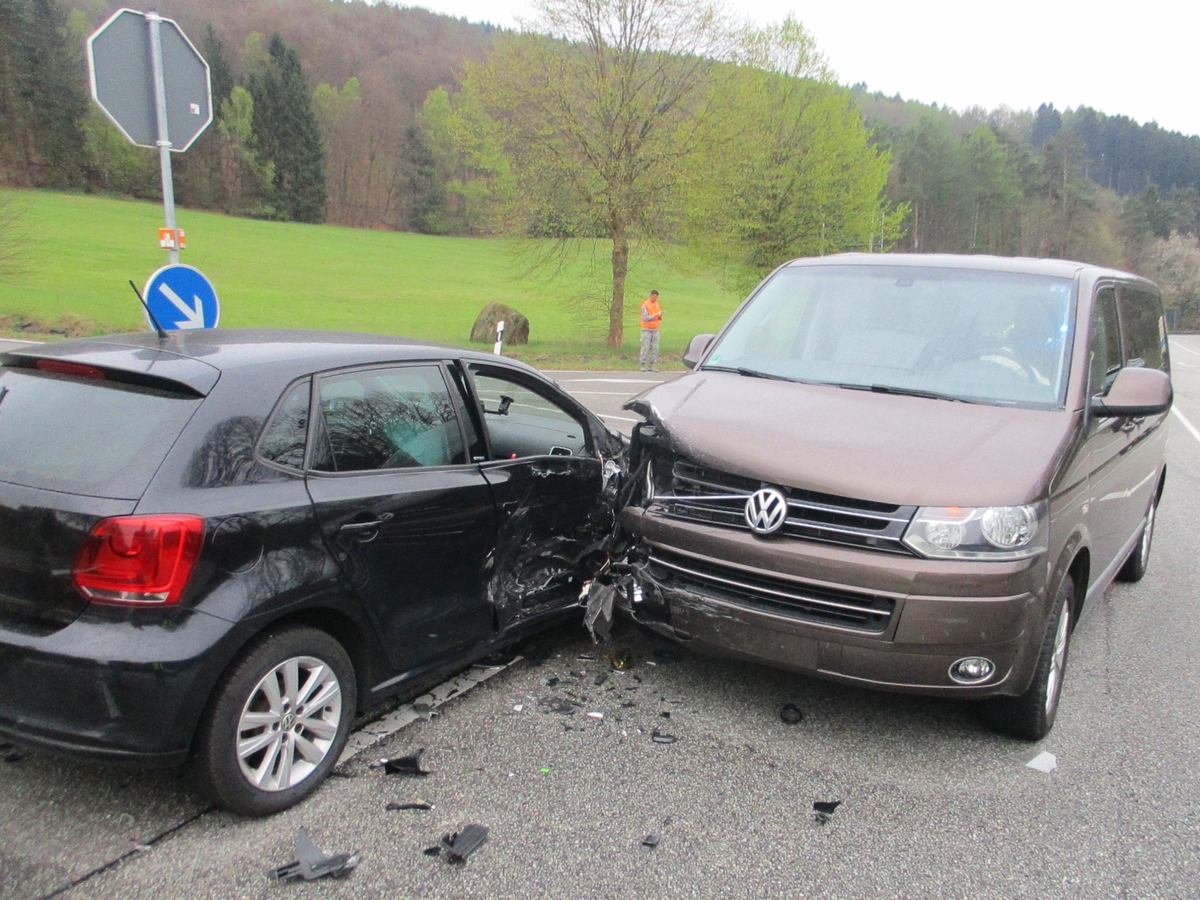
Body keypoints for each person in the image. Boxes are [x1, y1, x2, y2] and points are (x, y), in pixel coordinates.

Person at [639, 289, 662, 371]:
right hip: (646, 329)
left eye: (657, 297)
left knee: (655, 348)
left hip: (655, 329)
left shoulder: (657, 304)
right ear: (651, 295)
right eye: (655, 297)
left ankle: (651, 365)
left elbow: (658, 317)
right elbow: (645, 318)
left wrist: (660, 315)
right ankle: (642, 364)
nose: (656, 299)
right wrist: (655, 315)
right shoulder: (645, 305)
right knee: (645, 347)